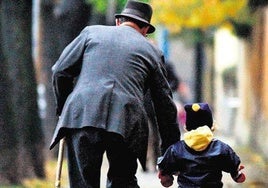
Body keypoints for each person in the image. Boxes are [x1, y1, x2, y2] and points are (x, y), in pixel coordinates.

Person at [49, 1, 181, 187]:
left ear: (119, 22)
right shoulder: (152, 51)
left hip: (83, 113)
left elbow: (59, 71)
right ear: (144, 30)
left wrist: (65, 108)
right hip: (127, 120)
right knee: (123, 180)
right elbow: (165, 108)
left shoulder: (90, 33)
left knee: (83, 182)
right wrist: (169, 159)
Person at [157, 103, 246, 188]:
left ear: (187, 127)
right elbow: (232, 163)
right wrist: (236, 173)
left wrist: (165, 174)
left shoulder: (176, 149)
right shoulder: (221, 148)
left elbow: (165, 165)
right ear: (211, 126)